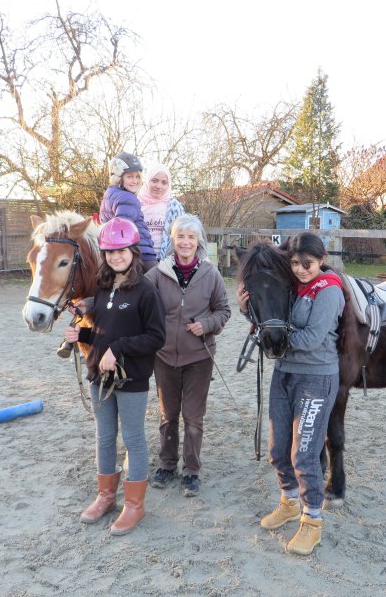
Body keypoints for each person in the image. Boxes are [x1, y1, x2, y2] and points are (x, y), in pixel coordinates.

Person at [236, 232, 344, 556]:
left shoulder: (329, 289)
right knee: (278, 448)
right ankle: (289, 501)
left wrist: (273, 336)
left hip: (315, 378)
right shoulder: (293, 285)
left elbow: (311, 338)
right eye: (295, 263)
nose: (300, 269)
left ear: (321, 260)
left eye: (307, 263)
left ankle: (312, 521)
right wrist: (248, 312)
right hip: (284, 374)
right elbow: (271, 313)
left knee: (304, 455)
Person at [63, 217, 166, 535]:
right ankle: (106, 496)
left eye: (122, 251)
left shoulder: (146, 291)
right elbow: (103, 336)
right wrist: (80, 336)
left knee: (133, 439)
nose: (116, 257)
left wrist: (119, 348)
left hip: (131, 379)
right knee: (104, 437)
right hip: (99, 377)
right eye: (110, 252)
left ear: (133, 252)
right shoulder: (104, 289)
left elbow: (156, 337)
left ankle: (134, 505)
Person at [145, 214, 231, 497]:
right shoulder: (158, 273)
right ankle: (167, 464)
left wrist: (206, 325)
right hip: (164, 357)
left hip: (199, 358)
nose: (185, 242)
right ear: (173, 240)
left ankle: (191, 470)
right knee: (168, 415)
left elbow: (223, 311)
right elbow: (136, 298)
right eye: (180, 236)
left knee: (193, 417)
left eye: (191, 237)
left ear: (199, 241)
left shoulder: (211, 273)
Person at [99, 151, 158, 272]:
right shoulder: (127, 198)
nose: (135, 181)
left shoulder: (110, 194)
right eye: (130, 176)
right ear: (119, 178)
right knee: (158, 285)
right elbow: (123, 230)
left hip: (130, 253)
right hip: (142, 254)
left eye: (137, 176)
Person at [138, 163, 186, 261]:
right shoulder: (136, 204)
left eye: (164, 182)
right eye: (154, 181)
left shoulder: (174, 206)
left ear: (168, 185)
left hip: (166, 261)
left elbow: (183, 234)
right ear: (147, 181)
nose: (158, 186)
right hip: (139, 259)